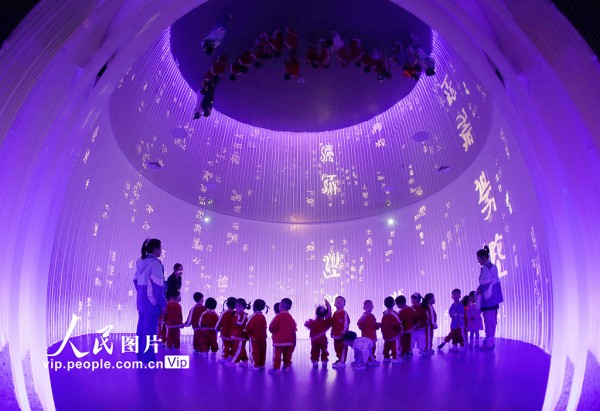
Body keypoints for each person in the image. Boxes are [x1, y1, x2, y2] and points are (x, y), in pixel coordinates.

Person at [135, 238, 166, 363]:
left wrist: (142, 294)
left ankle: (140, 356)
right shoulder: (155, 264)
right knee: (150, 331)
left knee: (141, 329)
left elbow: (135, 280)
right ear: (155, 249)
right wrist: (163, 305)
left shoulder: (140, 262)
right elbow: (158, 287)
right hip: (152, 302)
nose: (161, 250)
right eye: (160, 248)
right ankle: (148, 358)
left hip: (141, 301)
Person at [477, 245, 503, 350]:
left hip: (488, 298)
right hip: (495, 298)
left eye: (479, 259)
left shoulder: (485, 268)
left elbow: (484, 283)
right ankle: (490, 341)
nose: (478, 261)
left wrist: (479, 291)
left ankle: (489, 342)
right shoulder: (493, 266)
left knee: (488, 321)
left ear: (483, 258)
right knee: (492, 321)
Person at [268, 298, 297, 374]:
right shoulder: (290, 317)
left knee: (277, 355)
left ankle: (276, 368)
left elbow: (271, 327)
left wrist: (274, 332)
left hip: (279, 341)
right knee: (287, 355)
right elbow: (294, 328)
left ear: (281, 305)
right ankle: (286, 366)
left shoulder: (278, 316)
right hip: (289, 341)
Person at [305, 299, 332, 368]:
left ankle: (316, 361)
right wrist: (328, 306)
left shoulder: (314, 322)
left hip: (315, 340)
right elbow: (329, 319)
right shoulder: (325, 322)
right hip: (322, 339)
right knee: (323, 350)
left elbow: (307, 324)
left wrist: (328, 306)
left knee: (315, 351)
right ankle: (323, 361)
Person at [245, 299, 268, 370]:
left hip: (254, 338)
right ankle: (262, 364)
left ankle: (255, 364)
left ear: (253, 307)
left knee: (254, 351)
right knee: (262, 351)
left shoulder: (253, 316)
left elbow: (248, 326)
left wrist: (246, 333)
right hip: (263, 338)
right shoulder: (263, 316)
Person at [228, 298, 250, 367]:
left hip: (240, 335)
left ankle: (233, 362)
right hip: (237, 335)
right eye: (236, 306)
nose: (236, 308)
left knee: (238, 349)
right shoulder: (237, 314)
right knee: (241, 349)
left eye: (238, 306)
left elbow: (241, 323)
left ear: (243, 307)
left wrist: (236, 322)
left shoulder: (242, 315)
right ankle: (245, 361)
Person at [357, 300, 380, 364]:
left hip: (373, 336)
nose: (369, 308)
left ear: (372, 307)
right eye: (367, 307)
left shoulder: (372, 316)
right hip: (366, 337)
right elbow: (359, 326)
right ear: (364, 308)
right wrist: (362, 322)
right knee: (366, 348)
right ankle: (367, 359)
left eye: (370, 306)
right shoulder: (363, 317)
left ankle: (372, 358)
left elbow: (375, 325)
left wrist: (378, 325)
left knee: (373, 347)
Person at [380, 296, 402, 363]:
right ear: (394, 304)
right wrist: (401, 330)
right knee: (394, 345)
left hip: (385, 334)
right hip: (393, 334)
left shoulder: (384, 314)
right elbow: (398, 322)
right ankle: (395, 357)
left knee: (386, 345)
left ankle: (386, 357)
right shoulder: (393, 313)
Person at [331, 296, 350, 368]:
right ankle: (339, 360)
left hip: (342, 336)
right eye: (337, 300)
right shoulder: (335, 313)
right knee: (337, 348)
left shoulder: (344, 313)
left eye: (341, 300)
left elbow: (346, 323)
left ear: (344, 304)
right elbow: (333, 324)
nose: (338, 301)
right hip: (336, 335)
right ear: (334, 304)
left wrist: (344, 332)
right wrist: (332, 332)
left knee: (342, 348)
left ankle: (342, 362)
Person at [216, 297, 237, 363]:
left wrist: (217, 328)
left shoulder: (224, 313)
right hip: (234, 334)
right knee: (233, 346)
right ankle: (231, 357)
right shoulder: (237, 313)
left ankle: (225, 357)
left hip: (225, 333)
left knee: (226, 346)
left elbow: (219, 322)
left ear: (227, 304)